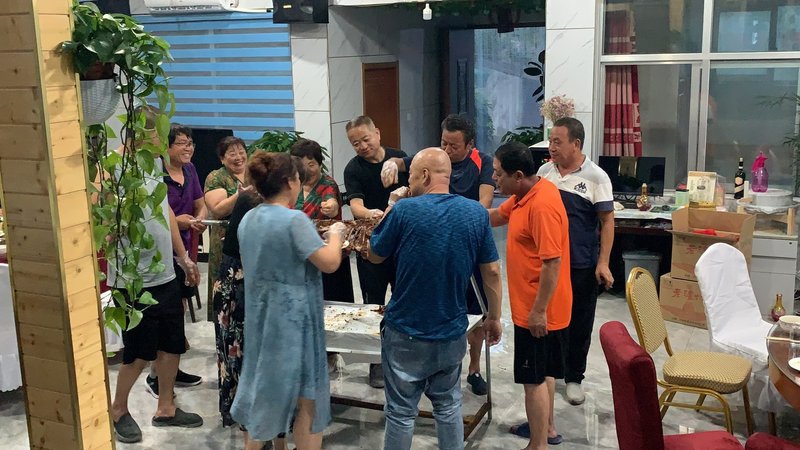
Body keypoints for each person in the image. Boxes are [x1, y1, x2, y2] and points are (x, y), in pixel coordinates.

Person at [368, 148, 503, 450]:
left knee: (401, 413)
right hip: (451, 330)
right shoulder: (475, 213)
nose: (409, 184)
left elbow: (375, 254)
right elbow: (492, 271)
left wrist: (392, 204)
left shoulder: (404, 210)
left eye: (412, 178)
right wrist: (494, 317)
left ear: (425, 175)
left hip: (406, 331)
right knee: (449, 406)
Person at [231, 152, 346, 450]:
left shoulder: (249, 219)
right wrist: (336, 235)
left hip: (261, 317)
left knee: (262, 390)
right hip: (296, 321)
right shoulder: (294, 220)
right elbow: (330, 262)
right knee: (308, 397)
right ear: (290, 182)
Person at [381, 113, 495, 396]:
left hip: (464, 244)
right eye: (444, 142)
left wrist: (454, 217)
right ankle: (431, 366)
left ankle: (474, 367)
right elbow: (400, 162)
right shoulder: (431, 159)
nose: (447, 149)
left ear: (470, 144)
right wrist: (390, 164)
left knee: (476, 311)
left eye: (454, 145)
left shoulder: (482, 163)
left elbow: (484, 203)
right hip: (432, 244)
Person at [109, 107, 203, 444]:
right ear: (142, 134)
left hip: (165, 273)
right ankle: (118, 409)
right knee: (137, 353)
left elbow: (166, 213)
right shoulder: (113, 167)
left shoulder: (153, 164)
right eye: (159, 135)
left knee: (171, 345)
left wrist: (183, 258)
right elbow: (101, 219)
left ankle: (166, 408)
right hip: (133, 279)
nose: (164, 143)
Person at [489, 142, 572, 450]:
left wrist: (538, 312)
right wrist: (455, 209)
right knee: (545, 372)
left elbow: (552, 262)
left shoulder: (542, 205)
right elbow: (495, 216)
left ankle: (537, 445)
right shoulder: (524, 195)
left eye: (499, 173)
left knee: (532, 379)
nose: (495, 179)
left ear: (518, 175)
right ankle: (546, 429)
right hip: (539, 307)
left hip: (539, 310)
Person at [537, 117, 614, 405]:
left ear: (576, 144)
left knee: (579, 322)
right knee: (548, 318)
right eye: (551, 141)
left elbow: (607, 221)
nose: (551, 147)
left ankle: (574, 377)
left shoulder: (596, 177)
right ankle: (551, 370)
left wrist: (603, 262)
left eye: (558, 141)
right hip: (549, 262)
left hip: (581, 263)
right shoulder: (544, 172)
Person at [343, 115, 409, 388]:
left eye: (365, 139)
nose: (361, 146)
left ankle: (405, 356)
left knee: (404, 299)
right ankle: (376, 362)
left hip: (402, 243)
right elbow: (355, 205)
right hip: (371, 243)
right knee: (373, 304)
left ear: (378, 133)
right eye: (355, 143)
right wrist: (370, 212)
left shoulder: (399, 158)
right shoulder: (353, 169)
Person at [145, 124, 206, 398]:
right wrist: (177, 221)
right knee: (165, 314)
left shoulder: (190, 170)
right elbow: (156, 213)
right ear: (166, 146)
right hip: (161, 252)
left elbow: (200, 203)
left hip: (186, 247)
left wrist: (199, 218)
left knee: (177, 311)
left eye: (190, 143)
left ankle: (171, 369)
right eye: (181, 143)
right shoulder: (155, 171)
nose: (188, 148)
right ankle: (155, 376)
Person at [290, 138, 354, 303]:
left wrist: (331, 207)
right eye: (302, 166)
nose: (307, 170)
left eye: (311, 164)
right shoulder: (293, 186)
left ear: (319, 163)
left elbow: (331, 202)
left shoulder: (327, 183)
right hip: (301, 257)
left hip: (327, 253)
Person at [204, 136, 250, 320]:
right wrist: (239, 195)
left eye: (241, 152)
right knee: (226, 294)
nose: (238, 157)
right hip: (226, 243)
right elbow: (217, 209)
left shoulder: (254, 172)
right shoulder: (216, 177)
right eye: (232, 154)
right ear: (222, 159)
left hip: (251, 240)